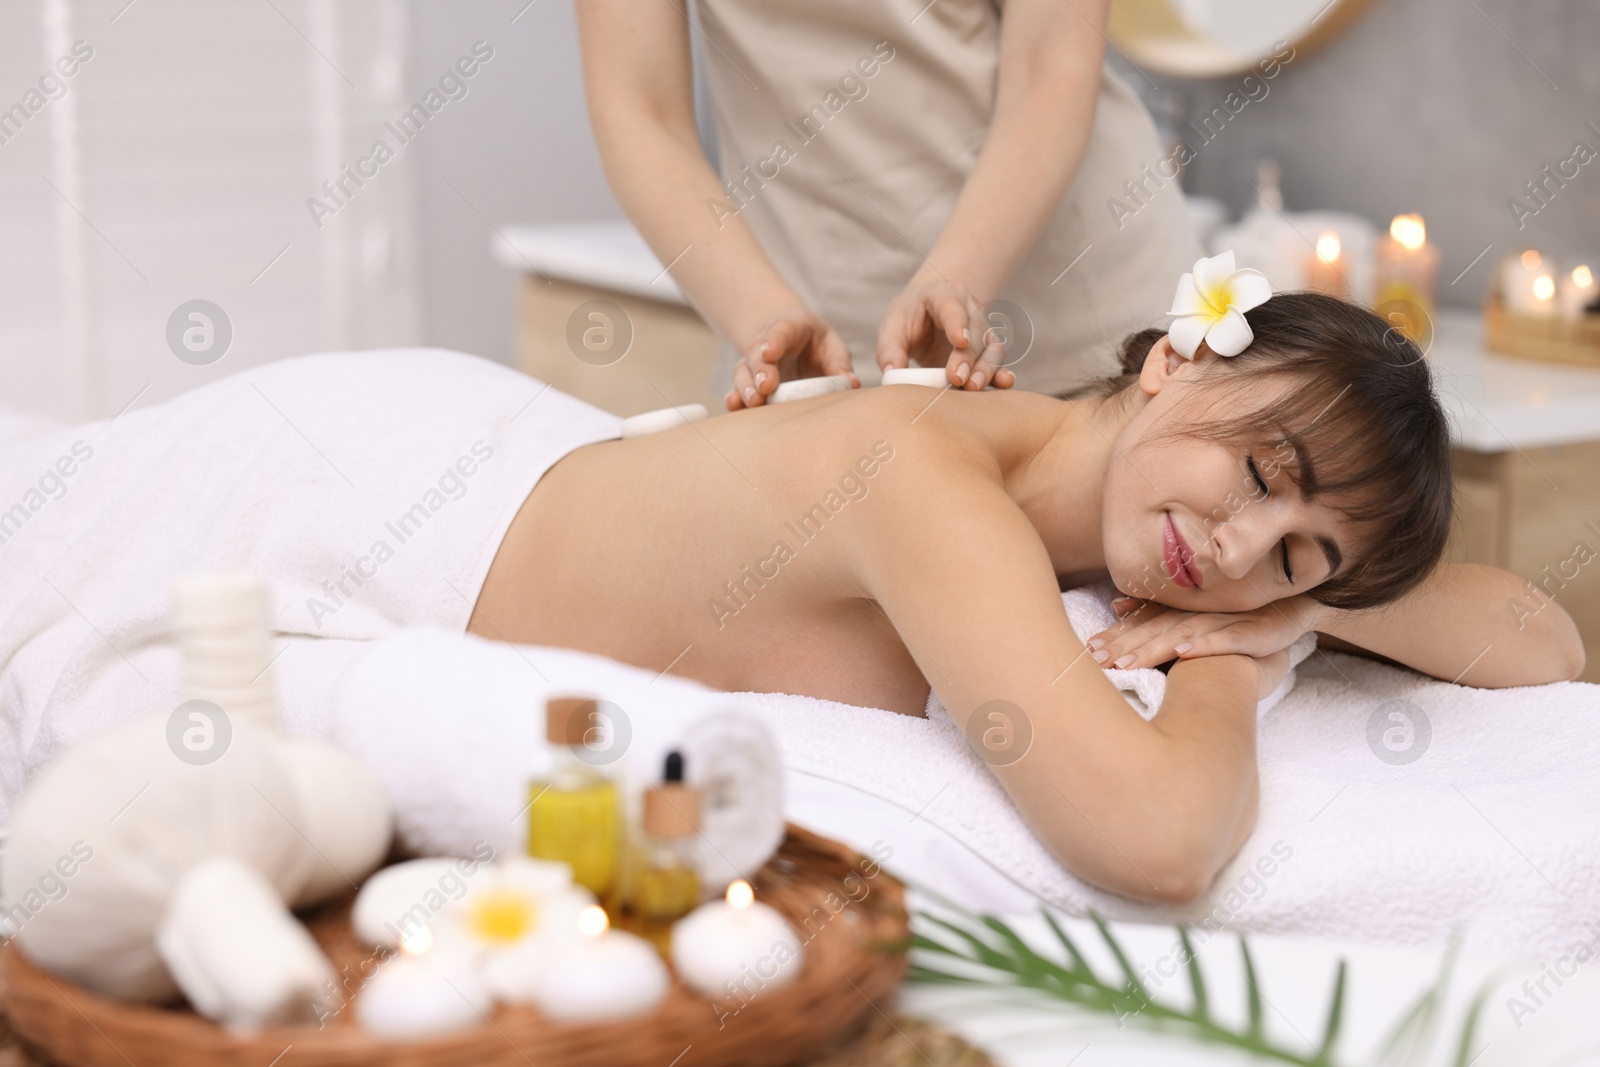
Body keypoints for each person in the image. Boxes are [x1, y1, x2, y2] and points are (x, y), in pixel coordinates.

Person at [0, 294, 1581, 904]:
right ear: (1176, 355)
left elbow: (1541, 639)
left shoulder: (1097, 510)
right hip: (371, 488)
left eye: (1299, 547)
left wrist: (1309, 600)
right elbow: (1155, 837)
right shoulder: (930, 478)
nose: (1238, 551)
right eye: (1263, 471)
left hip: (510, 464)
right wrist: (1242, 665)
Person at [575, 0, 1201, 408]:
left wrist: (952, 287)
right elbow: (640, 111)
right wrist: (763, 324)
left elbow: (1051, 66)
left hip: (1080, 308)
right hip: (814, 334)